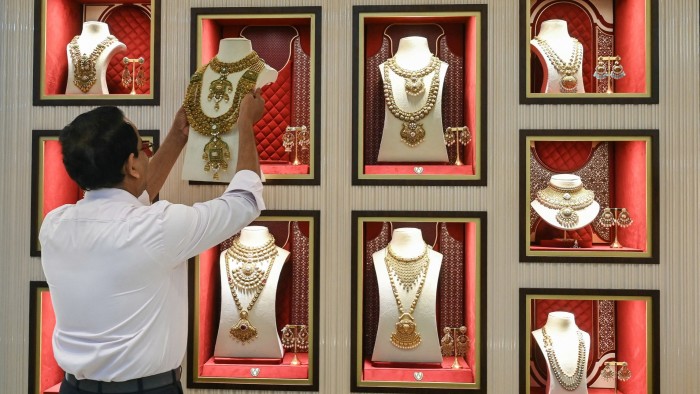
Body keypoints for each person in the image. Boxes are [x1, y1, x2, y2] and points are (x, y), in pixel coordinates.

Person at [39, 89, 266, 394]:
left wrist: (176, 138)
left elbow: (133, 198)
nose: (147, 153)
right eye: (143, 148)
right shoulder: (158, 228)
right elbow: (244, 201)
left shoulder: (54, 226)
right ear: (132, 166)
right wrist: (245, 125)